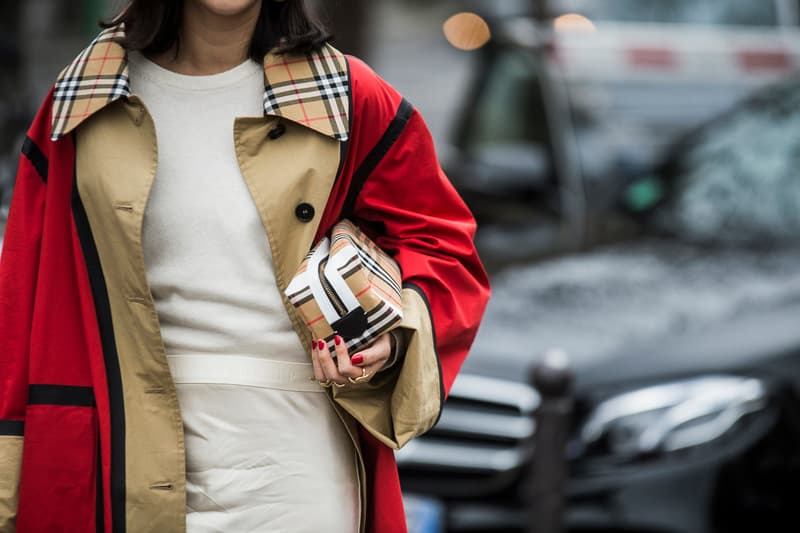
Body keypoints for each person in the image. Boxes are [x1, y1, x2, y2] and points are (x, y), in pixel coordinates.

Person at [0, 0, 490, 531]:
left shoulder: (349, 95)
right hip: (113, 455)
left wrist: (390, 337)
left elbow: (443, 246)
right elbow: (23, 299)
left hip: (295, 463)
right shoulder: (83, 98)